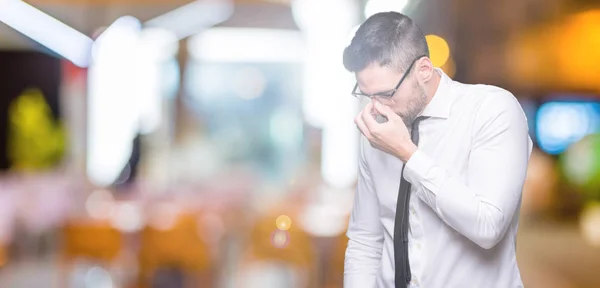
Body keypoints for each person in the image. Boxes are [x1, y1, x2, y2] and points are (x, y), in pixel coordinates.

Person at [342, 11, 532, 288]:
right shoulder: (377, 128)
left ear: (424, 70)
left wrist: (407, 153)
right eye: (367, 94)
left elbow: (488, 227)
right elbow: (365, 240)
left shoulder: (492, 111)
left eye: (386, 94)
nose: (377, 107)